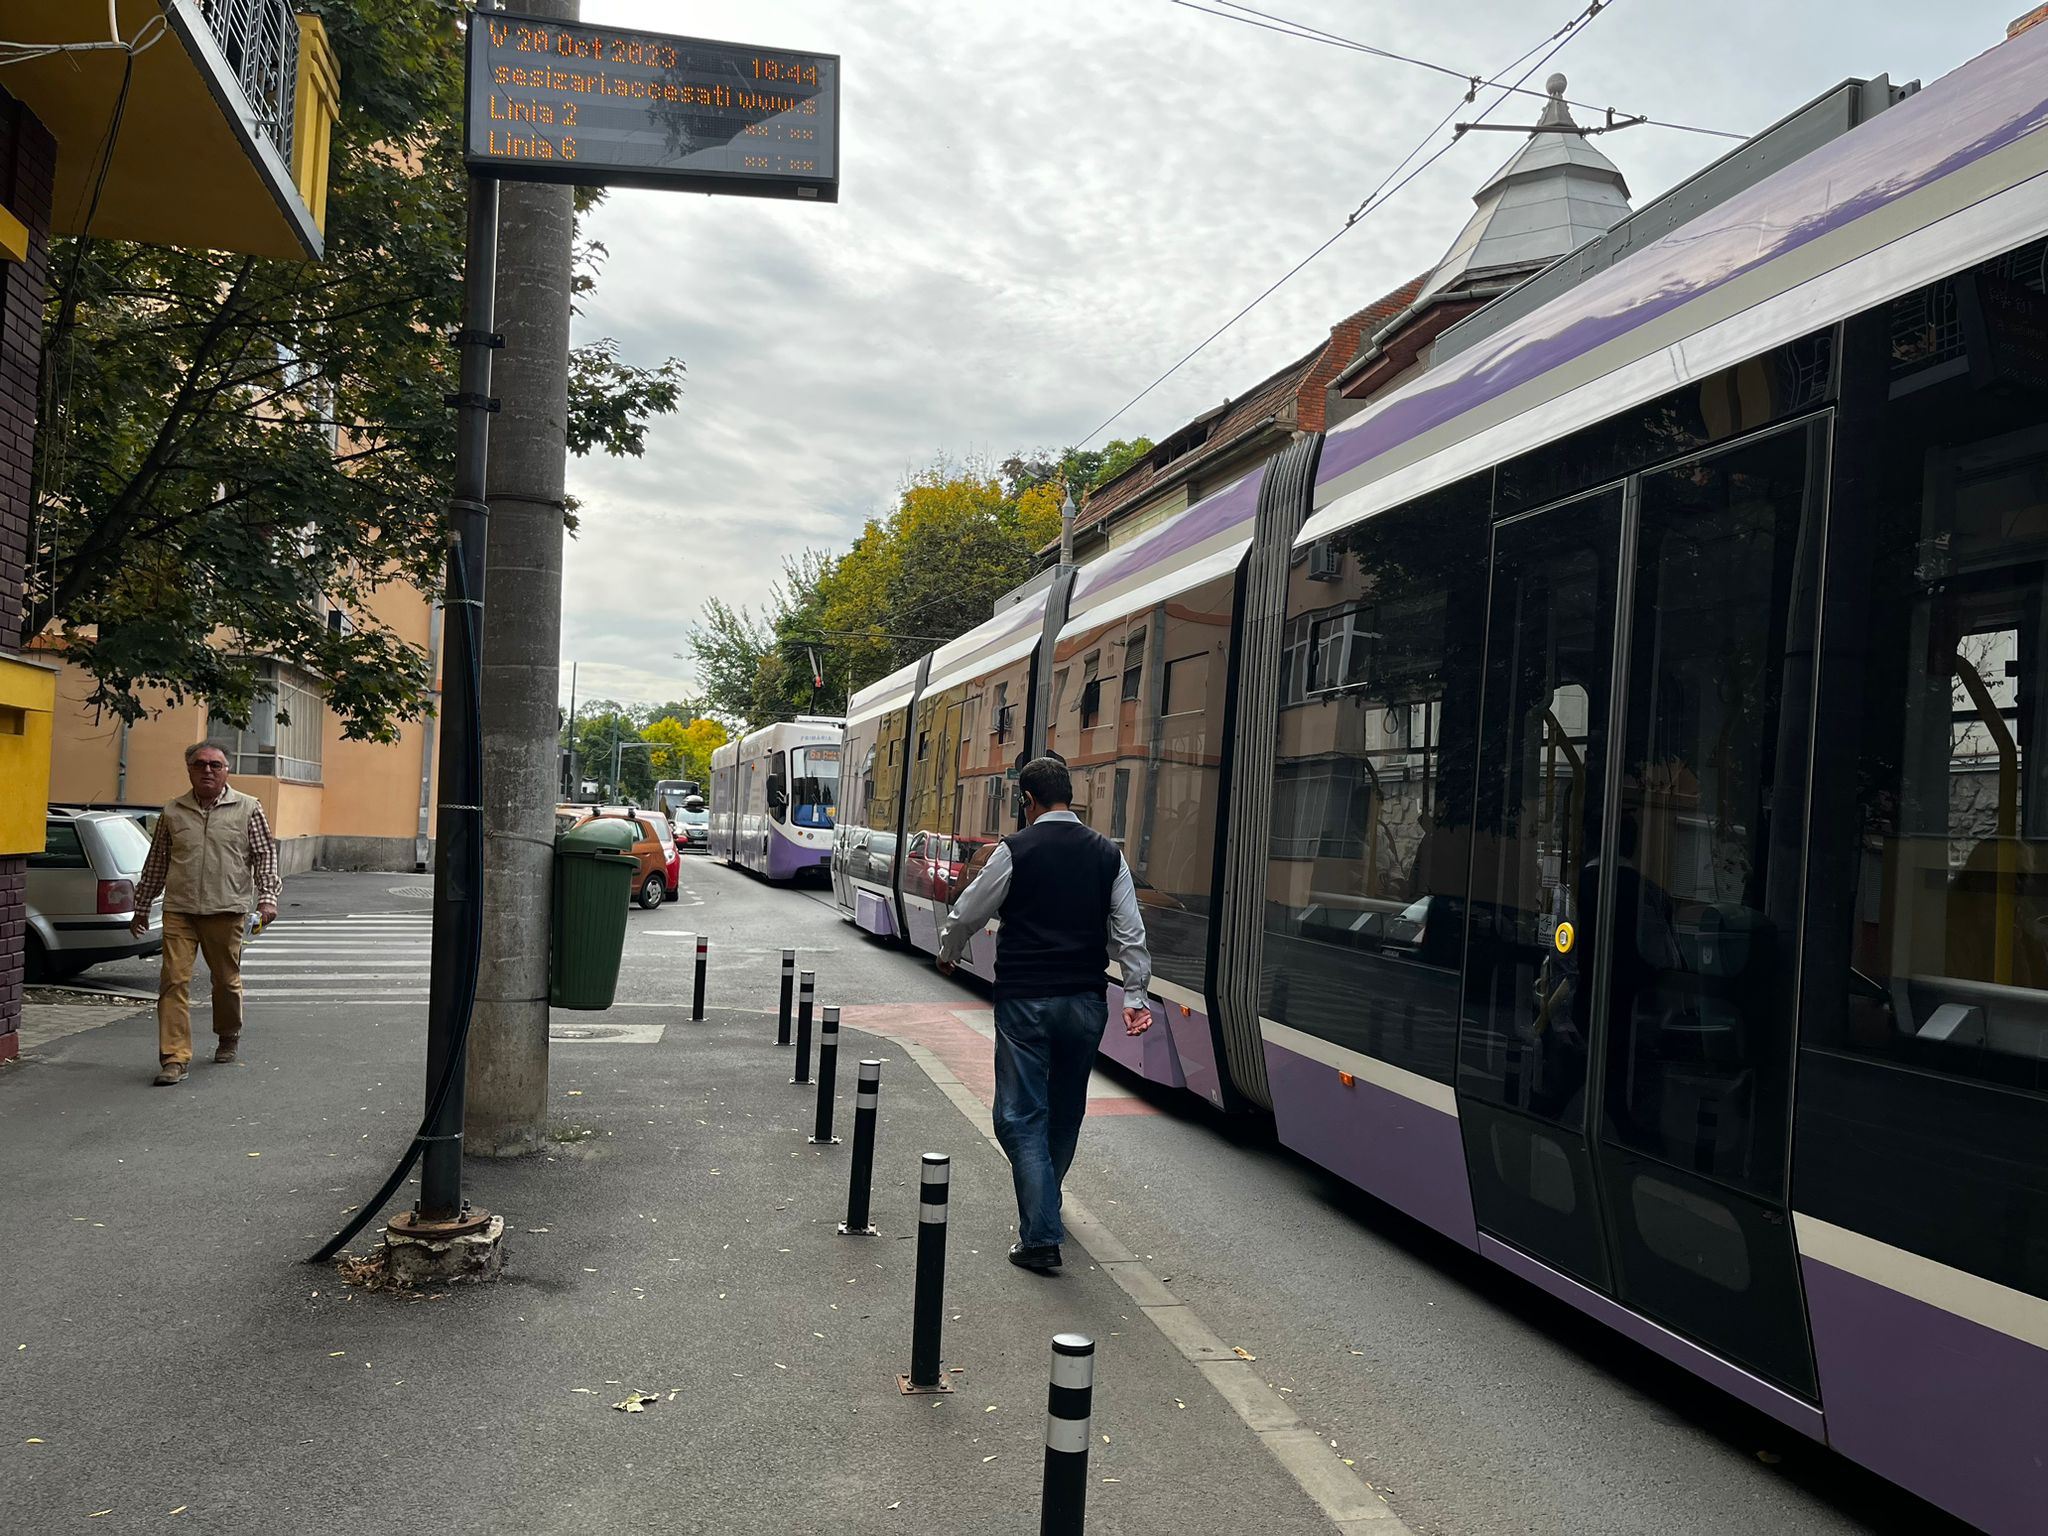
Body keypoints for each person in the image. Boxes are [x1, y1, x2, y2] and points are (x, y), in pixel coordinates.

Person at [937, 756, 1153, 1273]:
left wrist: (948, 952)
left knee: (1018, 1115)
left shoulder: (1015, 850)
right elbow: (1130, 931)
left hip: (1026, 1000)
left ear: (1027, 801)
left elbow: (969, 911)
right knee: (1064, 1109)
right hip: (1084, 1002)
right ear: (1070, 797)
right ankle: (1046, 1207)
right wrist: (1138, 997)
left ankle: (1039, 1236)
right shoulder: (1108, 855)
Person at [129, 741, 282, 1085]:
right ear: (190, 770)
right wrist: (141, 907)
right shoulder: (173, 811)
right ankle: (174, 1058)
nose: (208, 770)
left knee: (225, 981)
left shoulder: (248, 808)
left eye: (216, 765)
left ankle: (228, 1033)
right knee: (173, 982)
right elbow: (157, 862)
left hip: (226, 907)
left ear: (227, 770)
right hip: (180, 908)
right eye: (200, 765)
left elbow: (264, 855)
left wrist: (268, 899)